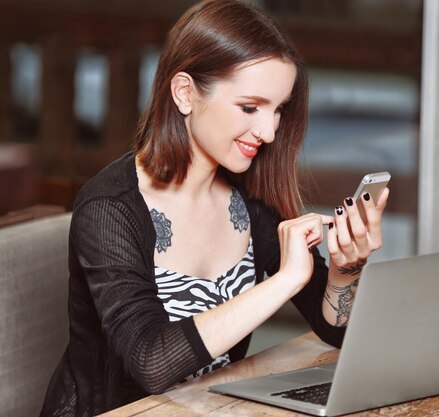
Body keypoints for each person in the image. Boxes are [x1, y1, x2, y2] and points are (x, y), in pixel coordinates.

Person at [40, 1, 389, 416]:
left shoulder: (252, 198)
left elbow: (334, 329)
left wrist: (344, 269)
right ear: (185, 93)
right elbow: (152, 363)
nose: (269, 131)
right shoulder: (109, 208)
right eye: (250, 107)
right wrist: (285, 279)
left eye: (278, 110)